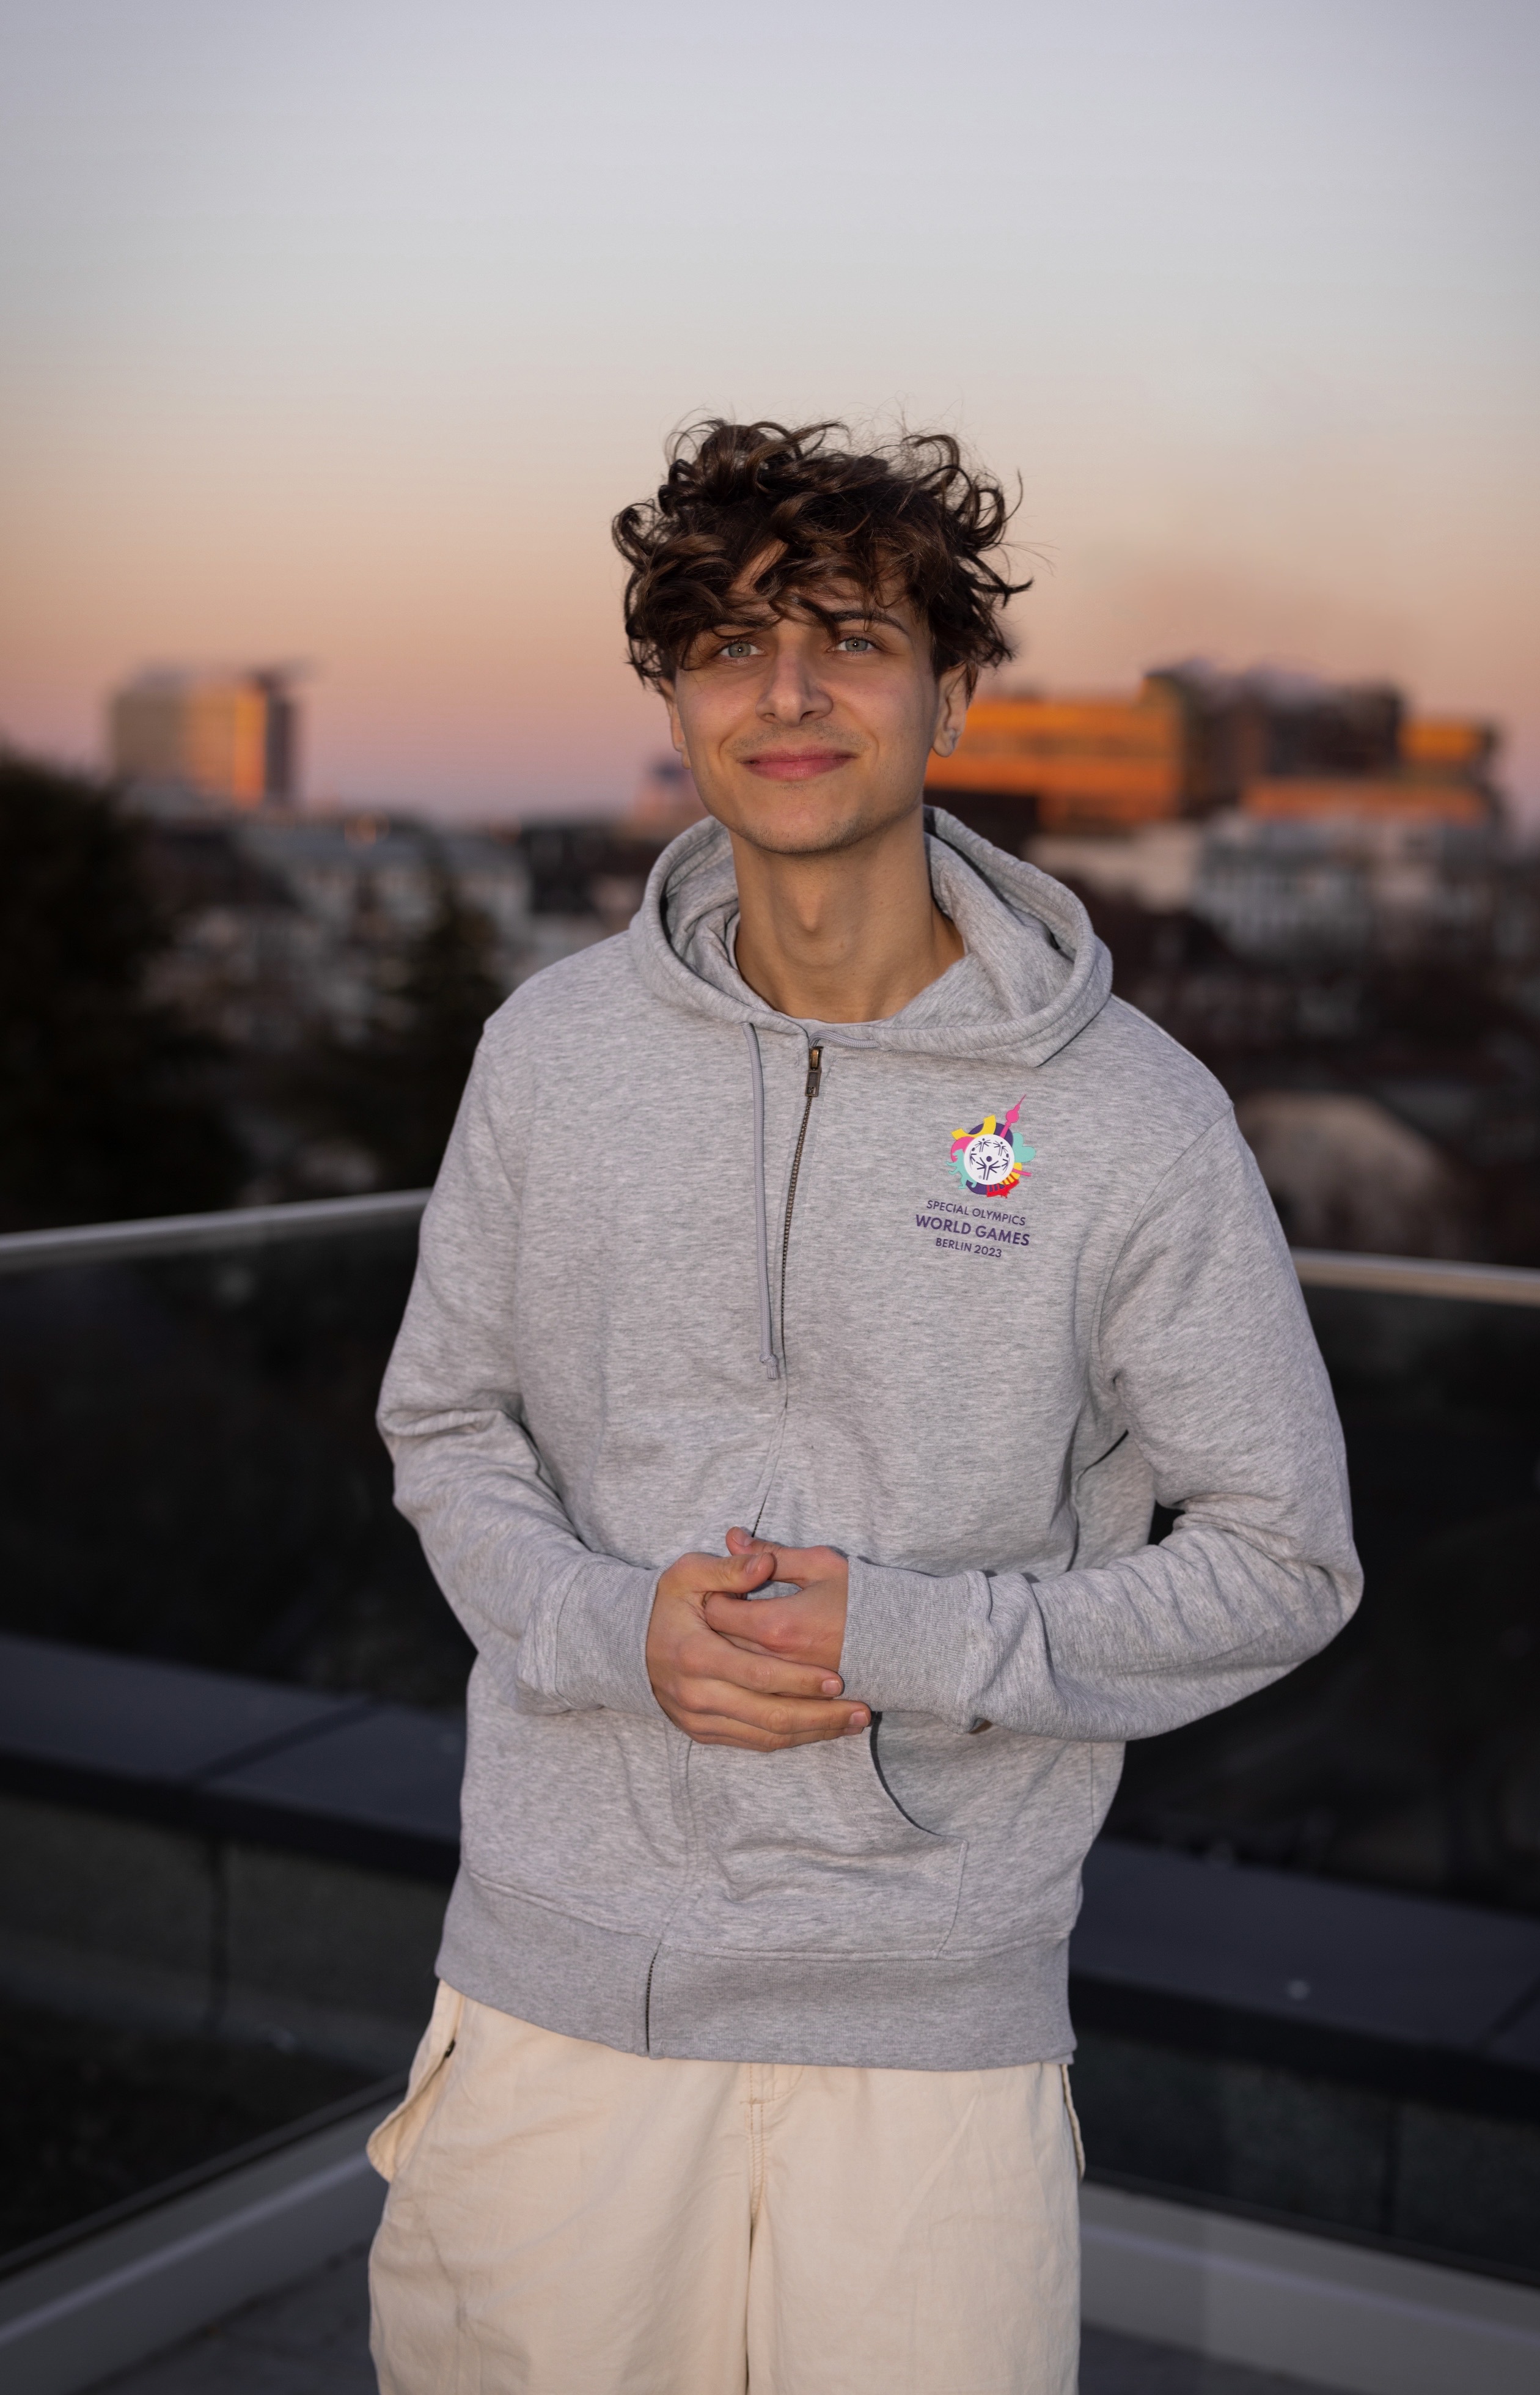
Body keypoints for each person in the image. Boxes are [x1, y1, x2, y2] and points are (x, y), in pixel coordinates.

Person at [367, 420, 1362, 2394]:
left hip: (931, 2039)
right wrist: (612, 1625)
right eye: (732, 645)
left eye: (852, 637)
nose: (790, 691)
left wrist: (914, 1642)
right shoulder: (551, 1054)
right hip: (561, 1999)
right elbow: (448, 1429)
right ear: (675, 701)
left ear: (952, 687)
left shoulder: (1127, 1115)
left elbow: (1282, 1562)